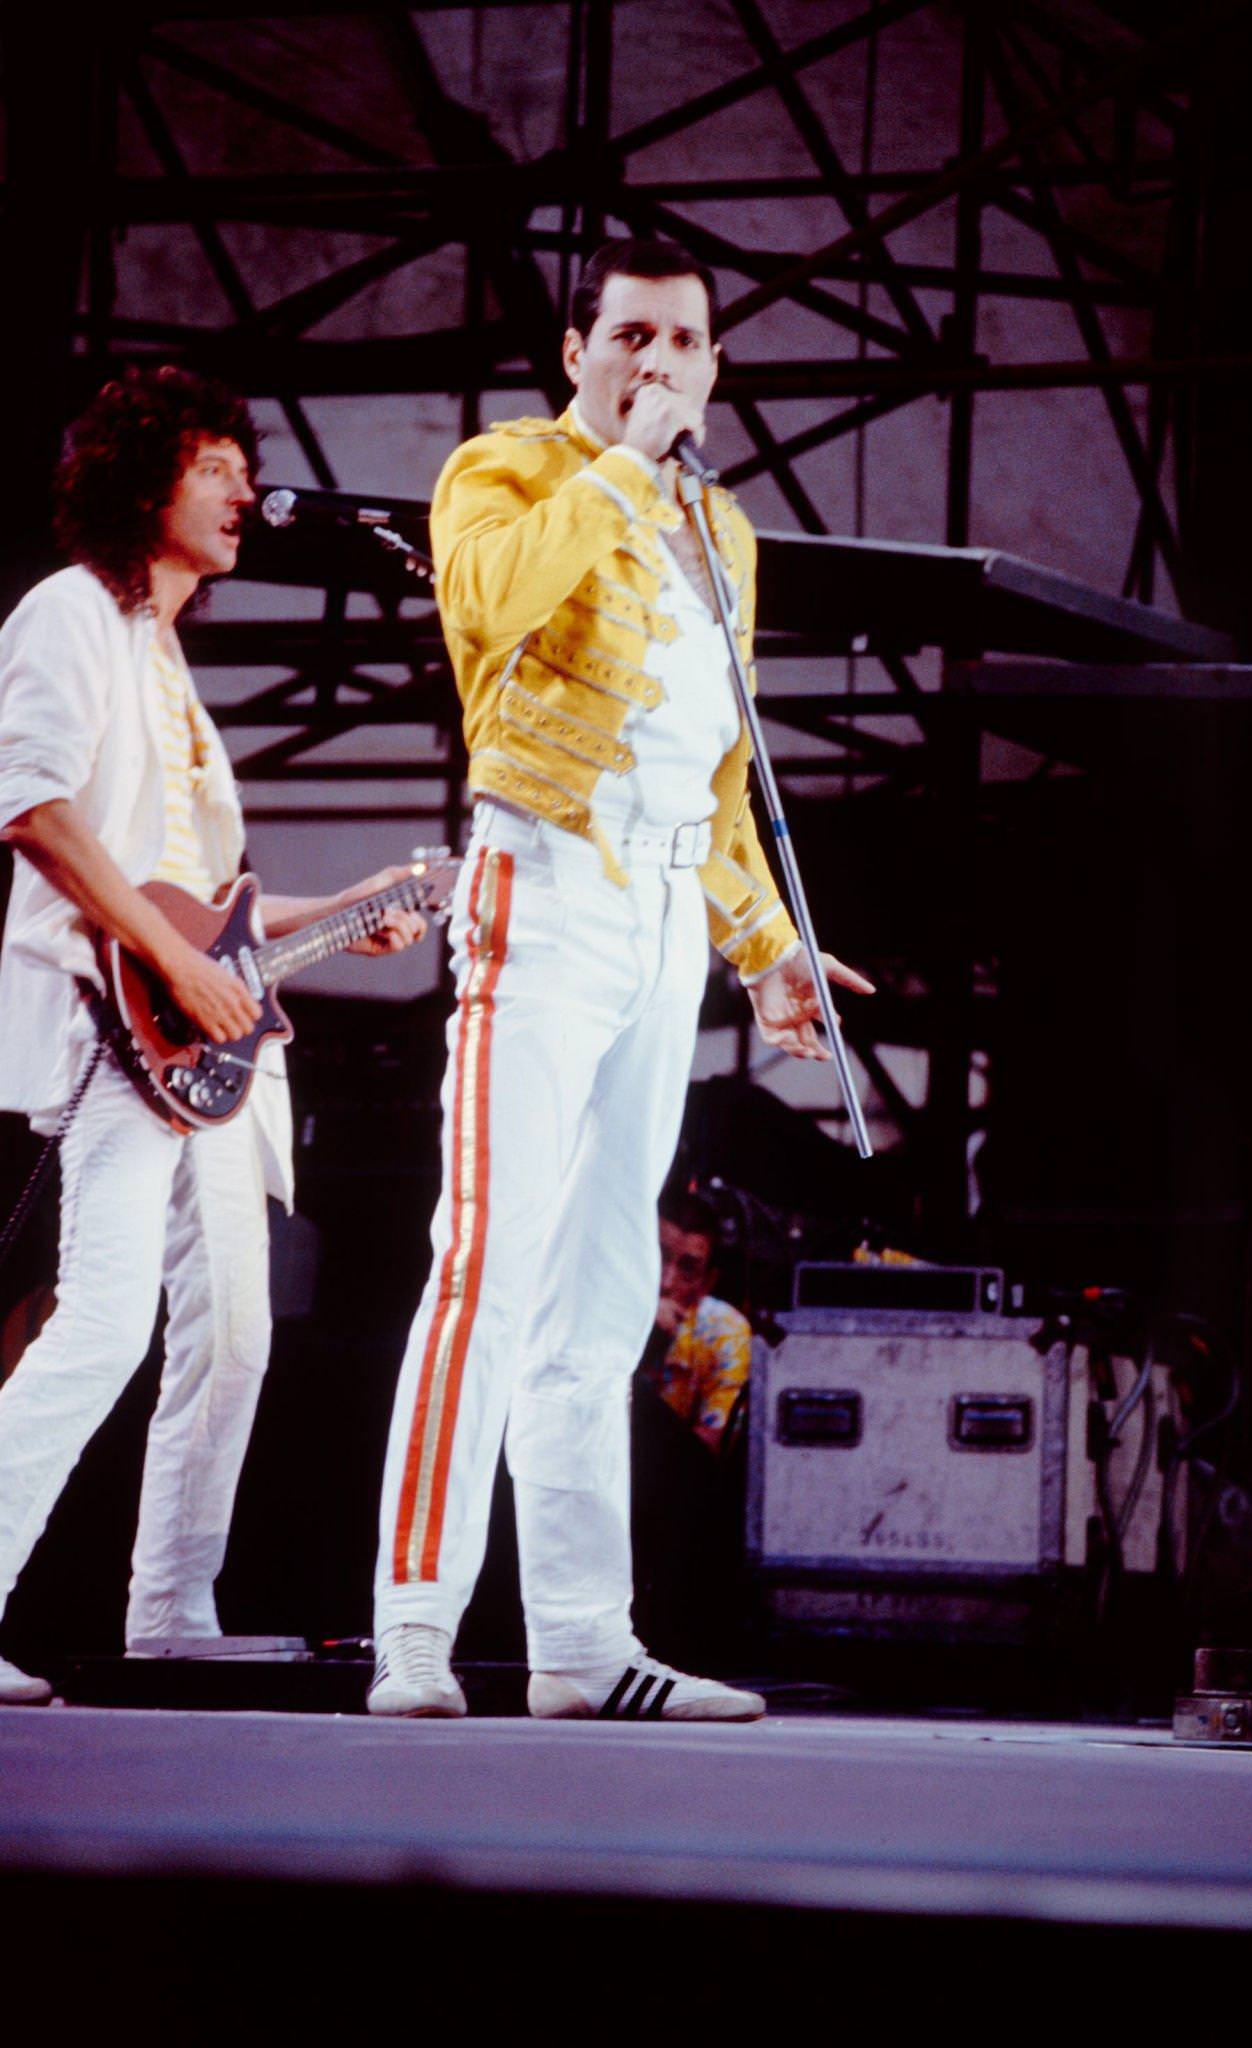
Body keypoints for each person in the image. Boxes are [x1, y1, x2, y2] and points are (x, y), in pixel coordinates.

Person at [369, 237, 873, 1724]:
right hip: (541, 881)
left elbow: (714, 782)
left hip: (659, 916)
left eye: (686, 343)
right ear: (580, 351)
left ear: (717, 369)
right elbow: (489, 608)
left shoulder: (726, 531)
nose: (659, 364)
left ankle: (583, 1643)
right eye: (632, 336)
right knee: (485, 1260)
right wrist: (615, 469)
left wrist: (767, 947)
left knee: (602, 1302)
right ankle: (413, 1629)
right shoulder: (508, 472)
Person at [0, 364, 426, 1706]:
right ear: (140, 479)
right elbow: (37, 813)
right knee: (106, 1321)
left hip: (203, 1034)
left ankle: (172, 1607)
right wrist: (182, 958)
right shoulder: (67, 615)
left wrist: (351, 911)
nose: (244, 487)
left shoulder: (167, 663)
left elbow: (209, 908)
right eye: (211, 465)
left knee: (235, 1328)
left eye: (242, 466)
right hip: (117, 1015)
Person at [639, 1187, 750, 1457]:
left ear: (706, 1283)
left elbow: (708, 1451)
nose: (666, 1283)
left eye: (687, 1269)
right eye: (658, 1257)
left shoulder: (724, 1333)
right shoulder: (597, 1308)